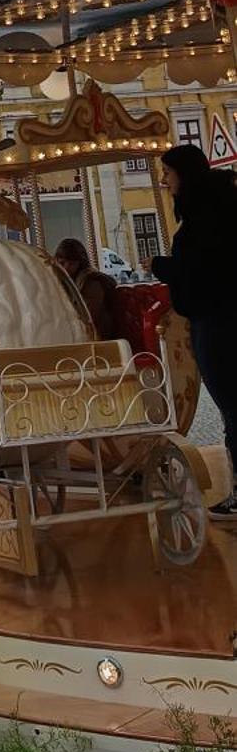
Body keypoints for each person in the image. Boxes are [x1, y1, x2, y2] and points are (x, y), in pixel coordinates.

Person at [152, 142, 237, 518]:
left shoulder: (200, 224)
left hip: (217, 325)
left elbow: (202, 276)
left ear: (184, 176)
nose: (164, 180)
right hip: (224, 317)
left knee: (232, 407)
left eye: (169, 173)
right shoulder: (224, 211)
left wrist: (162, 266)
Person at [54, 238, 118, 339]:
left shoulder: (91, 283)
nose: (66, 268)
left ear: (80, 264)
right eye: (62, 263)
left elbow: (88, 317)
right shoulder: (62, 282)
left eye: (71, 264)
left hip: (97, 336)